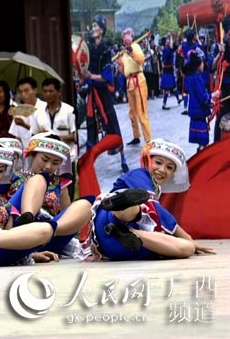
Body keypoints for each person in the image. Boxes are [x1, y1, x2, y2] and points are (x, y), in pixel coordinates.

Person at [84, 139, 214, 261]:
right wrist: (187, 237)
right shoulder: (140, 174)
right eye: (158, 162)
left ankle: (129, 232)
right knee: (136, 208)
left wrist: (190, 243)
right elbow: (156, 210)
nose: (162, 170)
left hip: (122, 247)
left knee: (188, 248)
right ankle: (120, 204)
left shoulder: (155, 189)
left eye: (169, 167)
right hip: (107, 225)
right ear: (147, 161)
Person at [83, 15, 126, 170]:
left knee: (111, 121)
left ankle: (122, 157)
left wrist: (91, 76)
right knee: (91, 124)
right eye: (93, 26)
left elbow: (106, 76)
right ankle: (89, 160)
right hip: (92, 91)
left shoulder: (106, 49)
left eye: (96, 26)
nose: (93, 29)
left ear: (102, 30)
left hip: (103, 92)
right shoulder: (88, 47)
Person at [30, 78, 77, 179]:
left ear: (59, 92)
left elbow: (75, 136)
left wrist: (53, 137)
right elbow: (33, 136)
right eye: (45, 91)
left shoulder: (69, 111)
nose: (48, 94)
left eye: (51, 91)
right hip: (45, 162)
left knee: (66, 190)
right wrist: (40, 135)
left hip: (66, 159)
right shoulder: (37, 113)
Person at [117, 28, 151, 145]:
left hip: (138, 80)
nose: (126, 37)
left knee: (141, 111)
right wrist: (119, 62)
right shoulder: (124, 53)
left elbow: (141, 60)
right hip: (129, 82)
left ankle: (148, 138)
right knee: (132, 112)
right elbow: (123, 71)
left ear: (132, 36)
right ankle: (136, 136)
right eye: (124, 35)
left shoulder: (135, 46)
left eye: (128, 35)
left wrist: (131, 52)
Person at [183, 52, 217, 151]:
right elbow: (202, 96)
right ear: (198, 65)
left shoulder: (193, 76)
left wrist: (210, 101)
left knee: (202, 142)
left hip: (196, 112)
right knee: (203, 142)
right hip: (199, 113)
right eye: (202, 63)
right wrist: (213, 95)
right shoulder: (197, 77)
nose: (203, 65)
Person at [8, 77, 47, 150]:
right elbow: (17, 137)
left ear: (35, 90)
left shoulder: (45, 108)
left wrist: (24, 125)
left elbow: (45, 132)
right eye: (20, 91)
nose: (23, 94)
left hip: (42, 151)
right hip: (25, 154)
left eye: (26, 91)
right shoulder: (18, 110)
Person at [159, 35, 182, 110]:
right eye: (168, 40)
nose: (169, 41)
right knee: (167, 88)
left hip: (170, 70)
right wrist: (171, 36)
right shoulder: (166, 49)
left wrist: (174, 37)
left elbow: (174, 45)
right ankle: (164, 103)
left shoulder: (168, 48)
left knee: (173, 86)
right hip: (167, 70)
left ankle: (178, 99)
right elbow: (172, 46)